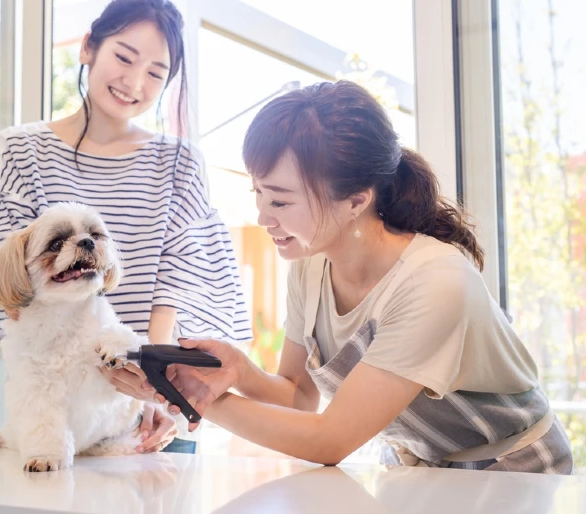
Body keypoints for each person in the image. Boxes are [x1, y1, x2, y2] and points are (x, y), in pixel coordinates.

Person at [153, 80, 573, 473]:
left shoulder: (436, 281)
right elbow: (299, 398)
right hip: (423, 466)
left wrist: (199, 400)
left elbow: (331, 441)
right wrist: (242, 371)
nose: (262, 217)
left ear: (356, 200)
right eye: (258, 193)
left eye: (280, 201)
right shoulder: (308, 264)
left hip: (517, 469)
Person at [0, 0, 252, 454]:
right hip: (51, 413)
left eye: (157, 73)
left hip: (144, 410)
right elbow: (6, 284)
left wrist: (155, 390)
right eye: (124, 56)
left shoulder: (181, 162)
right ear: (87, 48)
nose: (135, 83)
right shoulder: (20, 150)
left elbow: (174, 286)